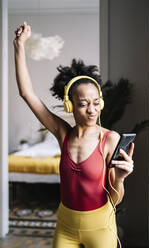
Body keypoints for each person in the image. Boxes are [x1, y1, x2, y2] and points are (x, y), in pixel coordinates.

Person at [13, 22, 134, 248]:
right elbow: (26, 93)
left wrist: (119, 178)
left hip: (100, 227)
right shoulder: (62, 134)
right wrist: (19, 46)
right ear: (70, 106)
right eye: (83, 104)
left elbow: (115, 199)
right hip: (65, 226)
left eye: (96, 103)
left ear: (102, 104)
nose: (91, 109)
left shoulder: (110, 139)